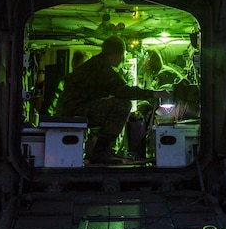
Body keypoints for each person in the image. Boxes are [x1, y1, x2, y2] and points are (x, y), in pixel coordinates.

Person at [54, 36, 156, 165]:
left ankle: (103, 150)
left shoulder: (96, 64)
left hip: (71, 108)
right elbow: (123, 91)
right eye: (121, 55)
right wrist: (152, 93)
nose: (122, 59)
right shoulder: (101, 68)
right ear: (115, 54)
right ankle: (101, 151)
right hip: (75, 109)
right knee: (122, 105)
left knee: (114, 103)